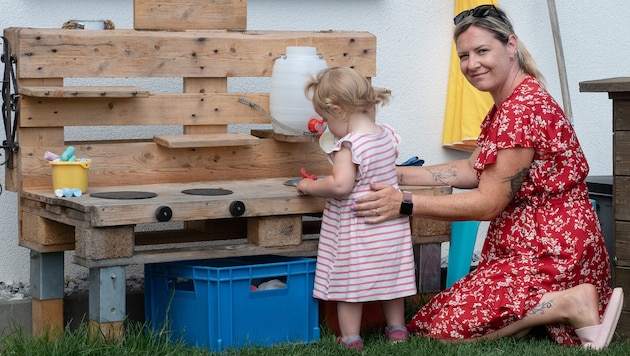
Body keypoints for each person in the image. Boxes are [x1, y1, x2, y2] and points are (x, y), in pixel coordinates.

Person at [351, 4, 623, 350]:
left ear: (511, 45)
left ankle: (568, 303)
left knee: (443, 329)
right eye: (464, 55)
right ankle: (547, 311)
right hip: (545, 247)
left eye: (482, 51)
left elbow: (488, 202)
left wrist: (404, 203)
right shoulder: (510, 102)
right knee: (431, 318)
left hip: (551, 254)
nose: (472, 64)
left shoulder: (519, 110)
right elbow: (471, 170)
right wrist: (396, 173)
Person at [297, 66, 417, 350]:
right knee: (392, 279)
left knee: (350, 285)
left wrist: (309, 186)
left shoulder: (348, 146)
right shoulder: (387, 136)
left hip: (358, 228)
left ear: (337, 110)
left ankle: (350, 337)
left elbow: (341, 186)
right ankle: (397, 329)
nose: (327, 127)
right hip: (389, 227)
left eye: (327, 120)